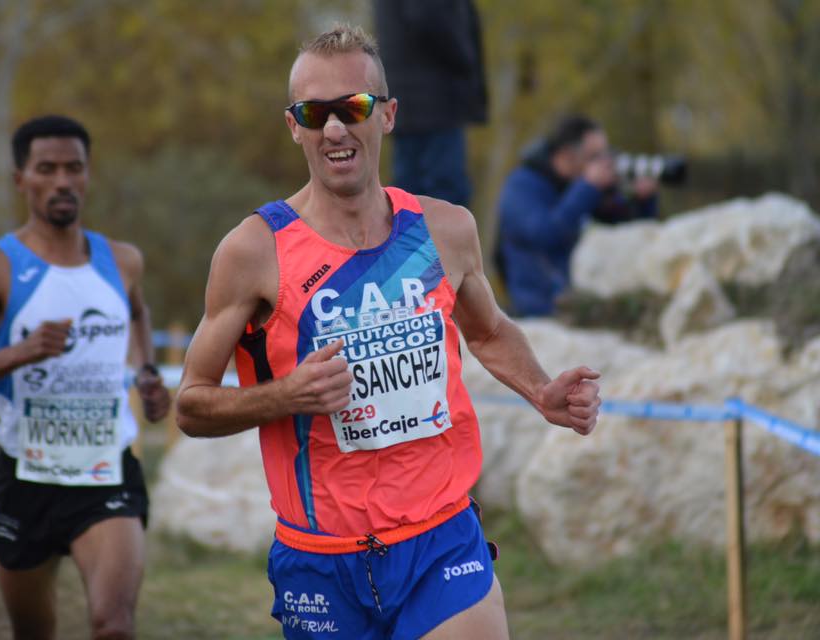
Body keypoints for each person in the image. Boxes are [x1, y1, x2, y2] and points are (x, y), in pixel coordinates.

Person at [175, 25, 600, 639]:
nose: (335, 129)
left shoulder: (445, 229)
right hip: (320, 560)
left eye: (352, 107)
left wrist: (541, 391)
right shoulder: (254, 252)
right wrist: (287, 394)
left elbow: (487, 332)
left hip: (440, 542)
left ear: (388, 114)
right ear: (294, 125)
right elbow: (190, 404)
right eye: (314, 113)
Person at [0, 114, 170, 640]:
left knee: (114, 624)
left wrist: (145, 370)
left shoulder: (122, 262)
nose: (62, 181)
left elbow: (138, 313)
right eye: (46, 169)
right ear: (20, 179)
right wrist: (20, 353)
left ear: (87, 174)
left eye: (73, 168)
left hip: (105, 473)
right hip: (26, 477)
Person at [493, 114, 659, 317]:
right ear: (566, 154)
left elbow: (626, 228)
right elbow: (545, 235)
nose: (604, 163)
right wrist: (588, 188)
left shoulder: (579, 185)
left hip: (579, 304)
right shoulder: (521, 186)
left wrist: (642, 200)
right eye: (594, 156)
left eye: (606, 154)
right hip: (537, 309)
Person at [373, 0, 487, 208]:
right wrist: (465, 57)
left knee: (409, 198)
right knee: (445, 198)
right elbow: (428, 17)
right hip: (435, 102)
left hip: (411, 100)